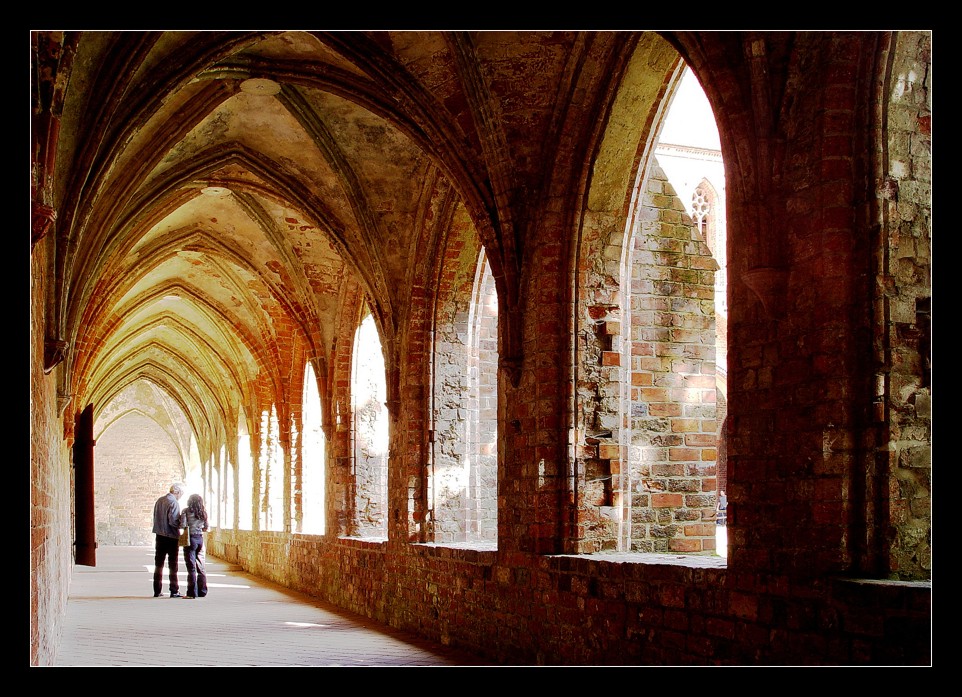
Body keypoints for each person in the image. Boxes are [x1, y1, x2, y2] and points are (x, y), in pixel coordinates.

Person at [152, 483, 185, 597]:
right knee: (172, 565)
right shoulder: (174, 503)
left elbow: (155, 517)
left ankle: (157, 590)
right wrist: (182, 524)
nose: (181, 496)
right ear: (177, 492)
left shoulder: (159, 500)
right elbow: (173, 521)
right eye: (181, 494)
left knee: (158, 564)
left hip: (159, 536)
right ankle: (174, 590)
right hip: (171, 537)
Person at [180, 493, 210, 599]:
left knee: (191, 568)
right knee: (201, 566)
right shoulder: (203, 513)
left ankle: (191, 593)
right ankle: (202, 591)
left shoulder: (186, 511)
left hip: (190, 539)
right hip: (200, 539)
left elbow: (183, 525)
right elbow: (206, 527)